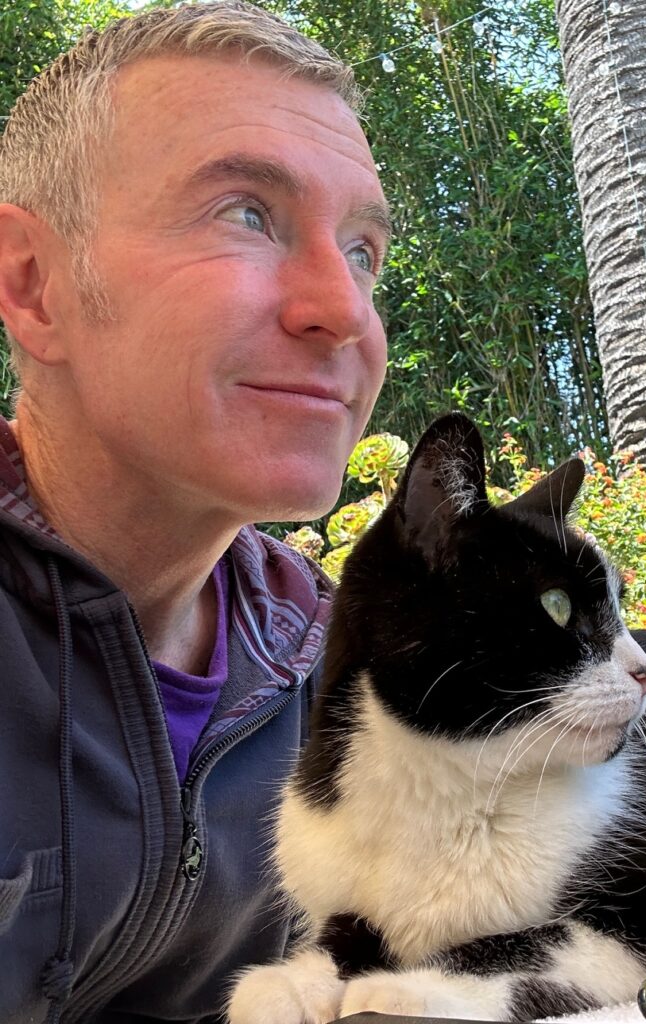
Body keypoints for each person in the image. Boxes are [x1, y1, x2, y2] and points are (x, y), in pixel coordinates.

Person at [0, 2, 390, 1020]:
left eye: (361, 251)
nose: (342, 310)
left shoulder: (331, 664)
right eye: (247, 214)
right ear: (33, 284)